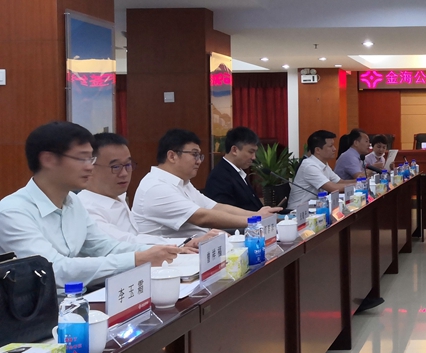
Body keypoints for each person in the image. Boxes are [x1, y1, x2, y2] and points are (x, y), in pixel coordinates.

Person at [0, 122, 181, 289]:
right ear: (48, 160)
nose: (90, 167)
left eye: (91, 159)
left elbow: (104, 247)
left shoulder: (73, 202)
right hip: (39, 310)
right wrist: (136, 259)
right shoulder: (13, 212)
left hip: (78, 299)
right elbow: (54, 270)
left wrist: (164, 251)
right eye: (82, 159)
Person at [132, 129, 281, 237]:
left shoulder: (183, 183)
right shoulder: (156, 187)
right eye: (194, 155)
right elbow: (202, 217)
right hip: (172, 262)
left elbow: (215, 207)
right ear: (172, 156)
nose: (199, 161)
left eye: (200, 156)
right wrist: (254, 220)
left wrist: (256, 214)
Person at [79, 133, 217, 248]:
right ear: (90, 167)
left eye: (128, 165)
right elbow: (122, 243)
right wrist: (179, 246)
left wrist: (185, 243)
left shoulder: (117, 197)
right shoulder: (85, 208)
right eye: (115, 167)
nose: (124, 173)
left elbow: (137, 237)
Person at [203, 127, 265, 212]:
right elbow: (224, 214)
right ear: (234, 150)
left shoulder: (238, 172)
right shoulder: (219, 177)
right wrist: (258, 215)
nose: (254, 157)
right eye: (251, 152)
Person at [289, 130, 353, 208]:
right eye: (330, 146)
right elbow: (333, 188)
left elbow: (340, 182)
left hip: (316, 207)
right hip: (298, 211)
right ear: (318, 150)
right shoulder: (309, 166)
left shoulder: (323, 163)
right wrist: (359, 184)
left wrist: (361, 181)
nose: (334, 149)